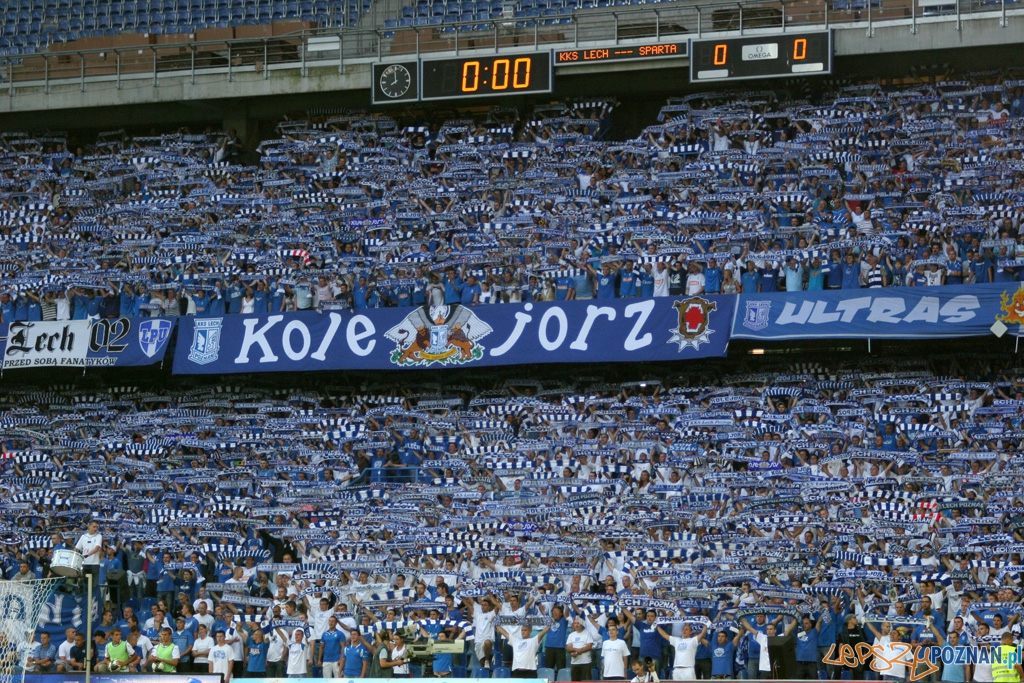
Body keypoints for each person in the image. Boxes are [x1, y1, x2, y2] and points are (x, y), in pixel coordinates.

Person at [565, 617, 597, 681]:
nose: (576, 625)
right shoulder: (571, 635)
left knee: (587, 681)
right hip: (574, 663)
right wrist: (577, 650)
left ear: (582, 624)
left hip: (586, 662)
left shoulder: (587, 633)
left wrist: (576, 652)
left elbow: (589, 646)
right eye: (575, 623)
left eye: (578, 623)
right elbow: (568, 648)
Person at [75, 520, 103, 585]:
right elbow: (76, 548)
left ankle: (94, 595)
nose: (95, 529)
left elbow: (97, 548)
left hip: (94, 564)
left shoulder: (98, 536)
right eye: (94, 527)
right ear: (89, 527)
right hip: (84, 563)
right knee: (84, 584)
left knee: (94, 584)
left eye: (97, 527)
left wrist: (87, 555)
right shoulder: (83, 536)